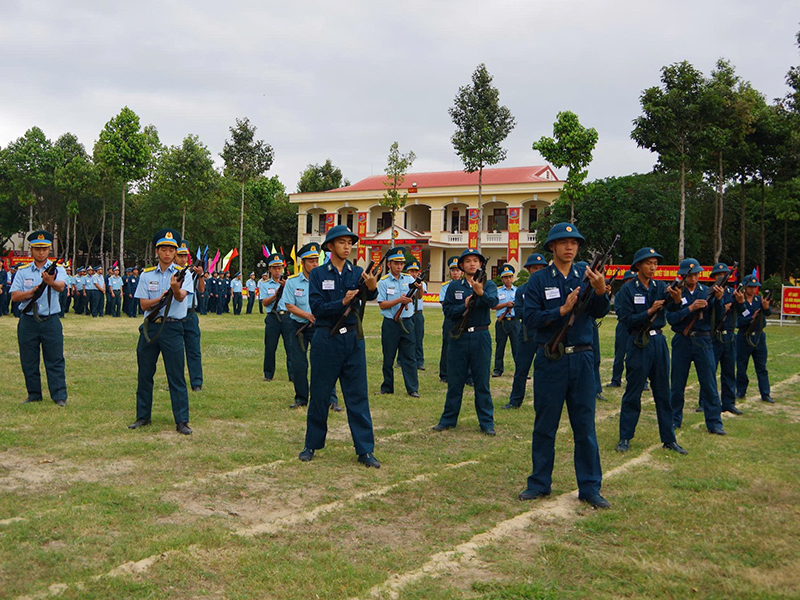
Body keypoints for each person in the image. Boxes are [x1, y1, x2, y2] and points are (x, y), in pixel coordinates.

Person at [518, 223, 610, 509]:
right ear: (552, 247)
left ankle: (590, 487)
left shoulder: (587, 276)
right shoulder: (538, 280)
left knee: (585, 426)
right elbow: (529, 318)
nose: (570, 247)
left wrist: (599, 291)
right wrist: (561, 310)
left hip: (582, 358)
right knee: (545, 425)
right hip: (551, 358)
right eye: (563, 242)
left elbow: (600, 312)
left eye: (574, 243)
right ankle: (539, 483)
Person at [298, 225, 380, 468]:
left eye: (350, 243)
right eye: (342, 242)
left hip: (352, 339)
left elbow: (370, 297)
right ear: (330, 246)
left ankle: (365, 450)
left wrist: (372, 287)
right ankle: (311, 444)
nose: (347, 247)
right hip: (326, 338)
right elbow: (317, 307)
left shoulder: (357, 273)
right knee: (320, 394)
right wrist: (341, 302)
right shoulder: (318, 274)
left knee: (357, 395)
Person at [614, 247, 687, 455]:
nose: (653, 267)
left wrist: (676, 299)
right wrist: (649, 311)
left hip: (658, 342)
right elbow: (626, 319)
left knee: (663, 392)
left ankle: (669, 439)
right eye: (648, 263)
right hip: (638, 341)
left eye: (655, 263)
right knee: (633, 392)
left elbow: (673, 311)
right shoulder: (627, 290)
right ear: (638, 265)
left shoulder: (661, 286)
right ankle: (625, 437)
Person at [129, 228, 195, 435]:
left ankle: (181, 420)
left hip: (173, 327)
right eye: (163, 249)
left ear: (176, 252)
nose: (167, 253)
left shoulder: (184, 274)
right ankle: (143, 416)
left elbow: (182, 297)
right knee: (145, 374)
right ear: (157, 251)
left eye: (171, 250)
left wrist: (174, 289)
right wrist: (160, 299)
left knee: (176, 375)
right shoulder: (146, 275)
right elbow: (143, 304)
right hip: (150, 327)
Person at [433, 247, 499, 435]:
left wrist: (480, 293)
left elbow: (493, 303)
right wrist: (464, 305)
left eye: (475, 261)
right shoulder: (454, 286)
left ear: (481, 264)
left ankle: (486, 423)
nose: (472, 264)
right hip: (459, 337)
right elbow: (448, 312)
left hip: (480, 336)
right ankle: (448, 419)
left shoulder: (488, 284)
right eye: (468, 261)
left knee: (482, 382)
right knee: (455, 381)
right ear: (461, 265)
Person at [667, 258, 726, 435]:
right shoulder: (675, 292)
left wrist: (719, 300)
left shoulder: (706, 291)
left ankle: (714, 422)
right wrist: (690, 308)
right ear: (683, 276)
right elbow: (671, 319)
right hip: (682, 340)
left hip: (703, 339)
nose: (693, 278)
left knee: (709, 382)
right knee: (677, 383)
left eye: (696, 275)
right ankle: (674, 419)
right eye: (690, 275)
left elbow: (719, 317)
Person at [11, 231, 69, 406]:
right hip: (28, 321)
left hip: (50, 320)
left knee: (55, 359)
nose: (41, 252)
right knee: (29, 360)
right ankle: (34, 394)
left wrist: (50, 282)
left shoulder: (58, 269)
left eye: (44, 249)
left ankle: (59, 396)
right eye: (37, 249)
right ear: (31, 250)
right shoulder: (22, 271)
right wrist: (31, 293)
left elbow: (61, 287)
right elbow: (14, 296)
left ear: (49, 249)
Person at [282, 243, 340, 411]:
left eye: (316, 260)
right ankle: (301, 398)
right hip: (298, 327)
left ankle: (331, 399)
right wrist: (307, 315)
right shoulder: (293, 282)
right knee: (299, 364)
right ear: (303, 263)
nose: (315, 264)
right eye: (311, 261)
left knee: (324, 362)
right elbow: (289, 305)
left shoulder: (325, 281)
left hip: (319, 326)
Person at [503, 252, 548, 409]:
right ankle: (515, 400)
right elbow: (519, 311)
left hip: (546, 333)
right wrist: (539, 314)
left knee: (546, 370)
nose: (537, 271)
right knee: (521, 369)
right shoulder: (522, 290)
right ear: (529, 270)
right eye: (534, 268)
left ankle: (545, 401)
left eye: (541, 268)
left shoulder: (550, 288)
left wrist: (535, 314)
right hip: (527, 334)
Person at [377, 246, 421, 398]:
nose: (399, 266)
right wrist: (399, 300)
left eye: (401, 263)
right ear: (389, 264)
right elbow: (382, 304)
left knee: (409, 356)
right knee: (388, 357)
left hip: (407, 322)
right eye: (396, 263)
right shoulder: (383, 282)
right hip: (391, 323)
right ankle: (387, 386)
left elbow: (419, 296)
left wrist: (420, 288)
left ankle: (412, 388)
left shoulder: (409, 279)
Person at [708, 263, 742, 414]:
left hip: (729, 335)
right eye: (719, 275)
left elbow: (742, 311)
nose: (722, 277)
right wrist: (721, 304)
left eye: (724, 275)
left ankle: (728, 402)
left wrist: (740, 302)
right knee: (709, 371)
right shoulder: (709, 292)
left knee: (729, 371)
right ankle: (705, 401)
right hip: (715, 334)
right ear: (714, 277)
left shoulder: (733, 292)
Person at [735, 274, 773, 403]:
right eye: (750, 287)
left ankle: (765, 393)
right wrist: (751, 318)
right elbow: (738, 322)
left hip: (758, 336)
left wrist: (766, 307)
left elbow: (768, 312)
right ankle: (740, 391)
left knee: (761, 367)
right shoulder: (739, 301)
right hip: (744, 336)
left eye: (755, 287)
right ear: (745, 288)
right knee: (741, 366)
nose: (753, 289)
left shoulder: (759, 300)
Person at [176, 240, 204, 392]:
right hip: (175, 315)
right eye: (180, 256)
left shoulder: (192, 272)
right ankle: (175, 381)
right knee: (175, 352)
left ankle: (196, 382)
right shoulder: (171, 273)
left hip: (190, 313)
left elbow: (201, 290)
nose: (183, 259)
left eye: (185, 256)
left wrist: (200, 275)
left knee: (194, 350)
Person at [262, 254, 292, 382]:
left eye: (279, 268)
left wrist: (286, 287)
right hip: (273, 316)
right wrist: (275, 295)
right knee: (270, 347)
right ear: (270, 269)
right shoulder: (265, 284)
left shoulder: (289, 283)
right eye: (274, 268)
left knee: (290, 347)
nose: (277, 271)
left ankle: (293, 374)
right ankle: (268, 374)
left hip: (287, 316)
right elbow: (264, 302)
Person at [607, 270, 636, 388]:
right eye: (629, 280)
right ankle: (616, 380)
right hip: (624, 326)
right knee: (619, 354)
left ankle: (640, 381)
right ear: (625, 281)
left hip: (637, 326)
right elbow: (619, 311)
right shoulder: (620, 294)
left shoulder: (639, 293)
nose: (631, 282)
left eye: (633, 279)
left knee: (637, 355)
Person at [492, 263, 519, 378]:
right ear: (502, 279)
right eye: (506, 277)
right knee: (500, 346)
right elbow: (493, 306)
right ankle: (498, 369)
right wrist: (505, 305)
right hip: (502, 321)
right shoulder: (497, 291)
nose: (508, 279)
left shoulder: (517, 291)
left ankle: (520, 369)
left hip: (514, 321)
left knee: (517, 347)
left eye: (510, 277)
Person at [438, 256, 461, 383]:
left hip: (463, 320)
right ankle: (444, 374)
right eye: (453, 270)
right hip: (450, 320)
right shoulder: (445, 287)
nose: (455, 273)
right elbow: (444, 303)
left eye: (457, 270)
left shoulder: (466, 285)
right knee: (447, 346)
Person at [404, 260, 427, 370]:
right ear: (407, 272)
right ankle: (401, 360)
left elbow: (419, 296)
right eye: (411, 271)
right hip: (406, 313)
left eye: (416, 271)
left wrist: (419, 286)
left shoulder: (422, 284)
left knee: (418, 338)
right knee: (404, 338)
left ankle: (419, 361)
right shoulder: (404, 283)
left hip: (417, 313)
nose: (414, 274)